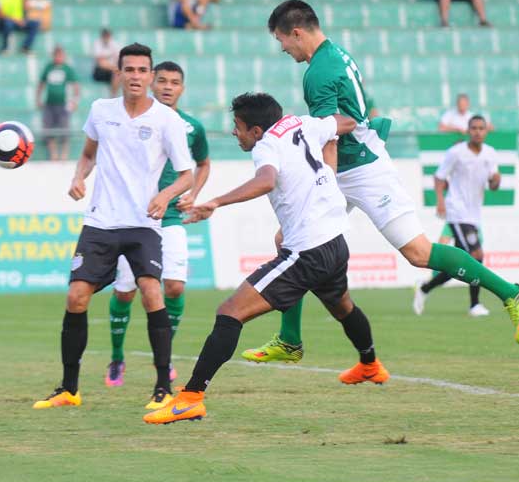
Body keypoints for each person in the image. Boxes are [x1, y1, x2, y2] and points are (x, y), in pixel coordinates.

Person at [241, 0, 519, 364]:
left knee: (419, 253)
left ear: (297, 32)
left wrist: (327, 181)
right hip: (356, 160)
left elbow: (329, 134)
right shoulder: (338, 56)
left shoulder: (318, 72)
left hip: (361, 169)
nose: (283, 48)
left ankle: (512, 293)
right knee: (287, 239)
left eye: (282, 40)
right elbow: (360, 109)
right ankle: (289, 340)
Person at [145, 93, 390, 425]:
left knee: (230, 312)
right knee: (342, 305)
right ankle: (370, 365)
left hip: (308, 251)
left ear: (256, 131)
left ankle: (190, 397)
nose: (235, 133)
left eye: (238, 127)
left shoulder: (266, 146)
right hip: (335, 240)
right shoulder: (302, 123)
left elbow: (266, 181)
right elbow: (346, 122)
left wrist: (216, 202)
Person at [32, 42, 194, 411]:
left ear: (150, 77)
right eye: (129, 70)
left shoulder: (166, 120)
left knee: (152, 293)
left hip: (143, 224)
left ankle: (162, 387)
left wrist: (165, 195)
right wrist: (78, 177)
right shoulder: (101, 111)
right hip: (101, 221)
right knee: (76, 298)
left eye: (142, 70)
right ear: (118, 73)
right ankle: (69, 388)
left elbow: (187, 175)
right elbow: (89, 153)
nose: (136, 76)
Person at [106, 61, 209, 387]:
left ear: (182, 88)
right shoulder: (134, 121)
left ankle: (163, 355)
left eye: (174, 82)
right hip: (132, 219)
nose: (167, 87)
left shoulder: (192, 127)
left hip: (172, 218)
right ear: (151, 83)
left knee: (175, 286)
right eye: (161, 80)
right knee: (125, 292)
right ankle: (117, 357)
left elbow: (203, 163)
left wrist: (195, 193)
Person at [413, 115, 500, 318]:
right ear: (468, 130)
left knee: (457, 265)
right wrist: (440, 201)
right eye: (474, 128)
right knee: (476, 256)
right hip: (457, 212)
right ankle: (475, 305)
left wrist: (496, 180)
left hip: (474, 214)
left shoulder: (490, 154)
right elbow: (439, 177)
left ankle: (425, 288)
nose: (478, 131)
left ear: (486, 131)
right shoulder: (456, 152)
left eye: (481, 128)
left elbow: (493, 185)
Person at [37, 46, 80, 162]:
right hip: (49, 104)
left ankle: (64, 156)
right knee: (49, 129)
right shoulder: (48, 68)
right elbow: (41, 84)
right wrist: (38, 99)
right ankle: (53, 155)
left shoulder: (67, 69)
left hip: (63, 104)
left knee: (64, 130)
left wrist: (75, 101)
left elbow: (76, 86)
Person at [91, 27, 121, 95]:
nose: (106, 37)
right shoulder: (97, 43)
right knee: (104, 64)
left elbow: (118, 57)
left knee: (117, 74)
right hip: (100, 71)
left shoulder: (114, 44)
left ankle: (113, 96)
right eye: (105, 36)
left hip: (111, 71)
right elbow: (99, 61)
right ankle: (113, 96)